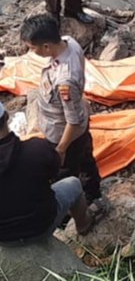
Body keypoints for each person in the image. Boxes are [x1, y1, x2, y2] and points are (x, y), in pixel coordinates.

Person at [20, 14, 102, 208]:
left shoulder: (65, 80)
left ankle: (71, 208)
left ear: (47, 46)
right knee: (85, 158)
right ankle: (93, 192)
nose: (31, 52)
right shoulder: (69, 43)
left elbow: (72, 121)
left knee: (64, 172)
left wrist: (61, 149)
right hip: (76, 121)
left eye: (33, 48)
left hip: (64, 133)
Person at [0, 102, 95, 241]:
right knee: (73, 183)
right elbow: (55, 170)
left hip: (3, 238)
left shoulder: (35, 150)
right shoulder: (36, 149)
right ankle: (84, 225)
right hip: (41, 226)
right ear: (7, 116)